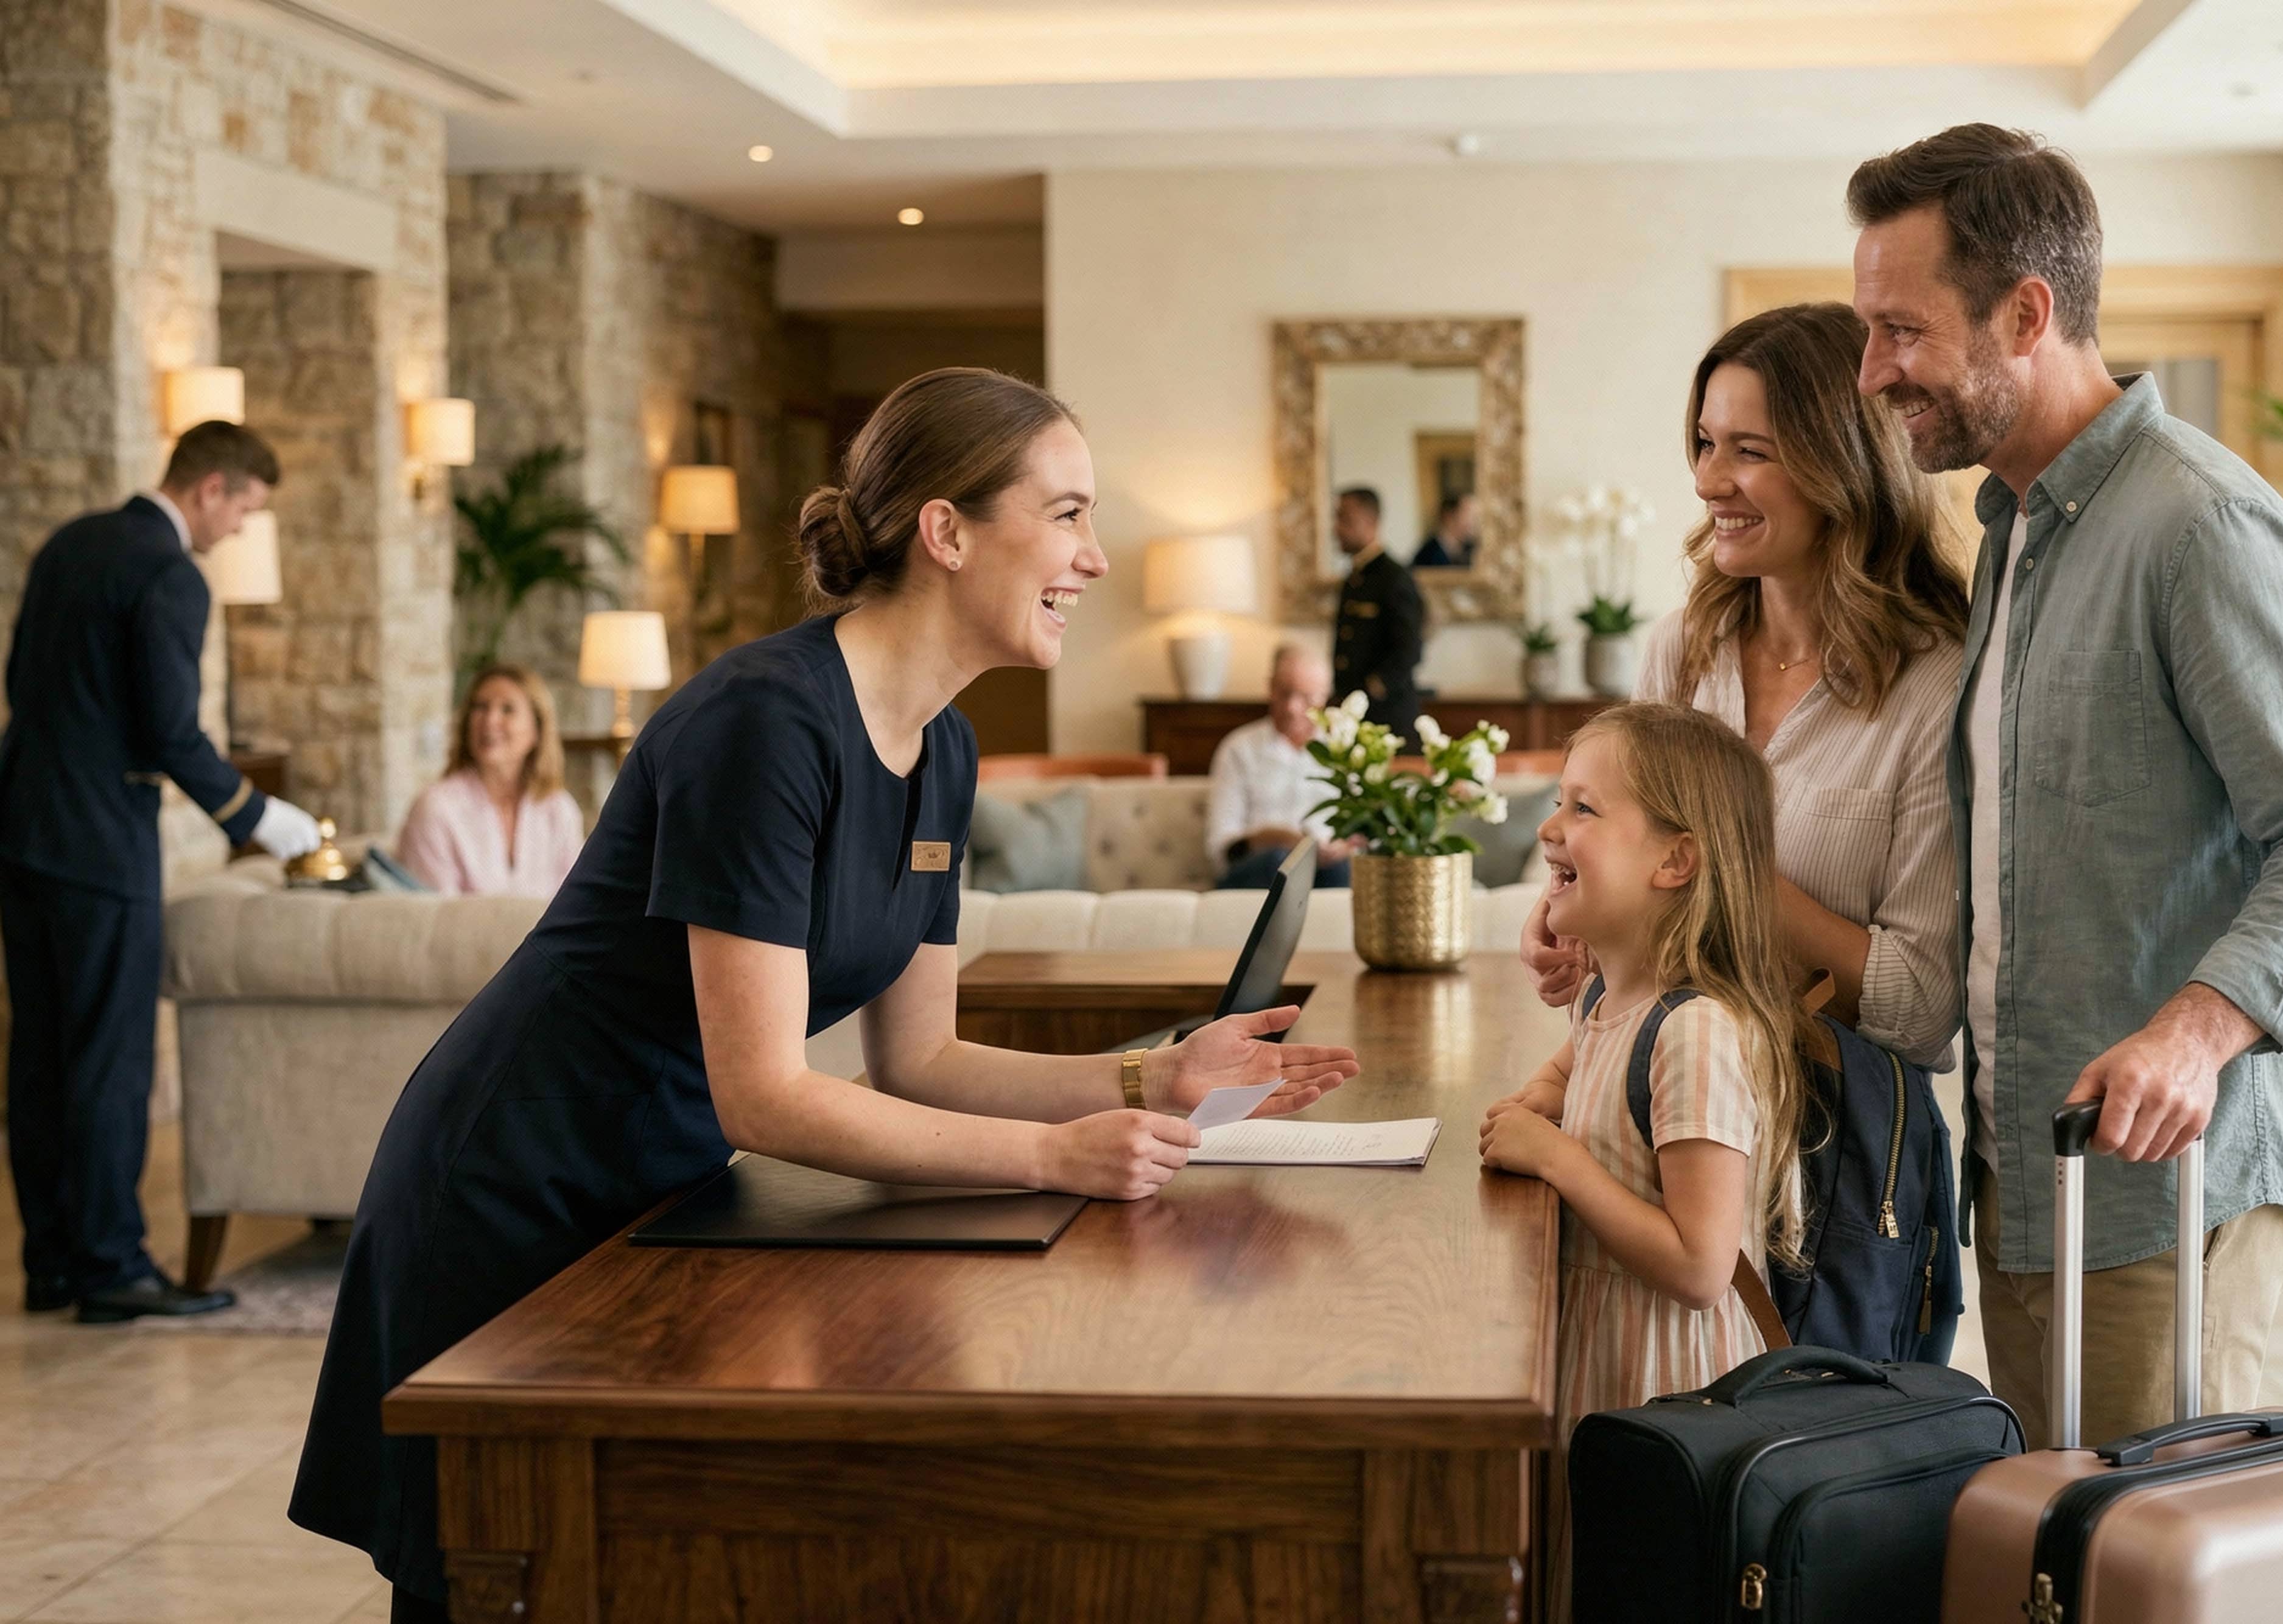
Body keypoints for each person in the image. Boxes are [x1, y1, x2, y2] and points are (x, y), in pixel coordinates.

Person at [289, 369, 1361, 1617]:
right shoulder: (765, 724)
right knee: (502, 1571)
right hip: (513, 1183)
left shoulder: (944, 746)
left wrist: (1150, 1073)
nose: (1097, 557)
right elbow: (766, 1093)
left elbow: (921, 1056)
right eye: (1066, 514)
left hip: (660, 1181)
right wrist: (1055, 1152)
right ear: (946, 531)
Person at [1848, 125, 2283, 1444]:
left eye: (1900, 331)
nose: (1873, 373)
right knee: (2061, 1552)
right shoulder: (2012, 532)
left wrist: (2194, 1028)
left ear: (2024, 314)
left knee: (2148, 1558)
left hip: (2167, 1187)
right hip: (2036, 1174)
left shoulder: (2195, 524)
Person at [1522, 303, 1969, 1073]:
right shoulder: (1680, 652)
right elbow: (1639, 897)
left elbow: (1924, 1006)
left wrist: (1717, 866)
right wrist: (1577, 914)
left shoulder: (1936, 685)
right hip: (1655, 1112)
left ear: (1843, 466)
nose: (1706, 481)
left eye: (1749, 451)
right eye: (1704, 443)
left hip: (1835, 1154)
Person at [1480, 703, 1809, 1623]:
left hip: (1667, 1384)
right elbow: (1581, 1057)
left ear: (1675, 861)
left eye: (1584, 809)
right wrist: (1546, 1093)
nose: (1550, 828)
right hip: (1603, 1363)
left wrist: (1559, 1160)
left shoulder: (1696, 1032)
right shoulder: (1605, 996)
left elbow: (1702, 1268)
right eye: (1558, 803)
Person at [0, 420, 324, 1324]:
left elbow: (21, 677)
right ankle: (111, 1268)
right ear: (211, 487)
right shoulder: (171, 574)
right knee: (108, 1060)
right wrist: (261, 817)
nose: (238, 532)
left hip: (21, 831)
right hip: (101, 845)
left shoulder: (69, 544)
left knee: (40, 1054)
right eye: (246, 511)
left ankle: (53, 1262)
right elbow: (170, 734)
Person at [395, 663, 584, 897]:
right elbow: (436, 919)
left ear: (537, 730)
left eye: (508, 709)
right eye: (480, 707)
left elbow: (577, 904)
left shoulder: (559, 809)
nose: (490, 720)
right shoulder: (436, 808)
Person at [1205, 643, 1357, 889]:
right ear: (1270, 687)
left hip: (1328, 869)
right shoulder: (1239, 749)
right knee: (1280, 862)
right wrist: (1283, 840)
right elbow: (1221, 849)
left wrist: (1345, 847)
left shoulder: (1342, 751)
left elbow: (1365, 833)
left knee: (1344, 868)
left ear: (1324, 696)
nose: (1292, 708)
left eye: (1306, 697)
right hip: (1259, 869)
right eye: (1284, 693)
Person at [1329, 486, 1426, 743]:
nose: (1336, 528)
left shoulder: (1394, 577)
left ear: (1371, 522)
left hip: (1387, 719)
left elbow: (1410, 649)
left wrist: (1374, 687)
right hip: (1356, 716)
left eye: (1345, 519)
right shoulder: (1354, 578)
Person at [1412, 492, 1478, 569]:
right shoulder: (1427, 556)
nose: (1474, 522)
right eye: (1469, 515)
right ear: (1448, 517)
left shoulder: (1472, 550)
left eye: (1475, 516)